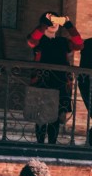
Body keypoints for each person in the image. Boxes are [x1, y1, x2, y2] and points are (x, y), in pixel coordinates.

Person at [28, 12, 83, 144]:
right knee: (40, 116)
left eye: (56, 21)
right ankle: (40, 144)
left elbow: (79, 44)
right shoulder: (39, 39)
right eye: (51, 21)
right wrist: (44, 24)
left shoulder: (63, 41)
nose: (54, 24)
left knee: (56, 117)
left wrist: (69, 25)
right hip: (42, 81)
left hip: (60, 82)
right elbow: (31, 41)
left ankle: (52, 143)